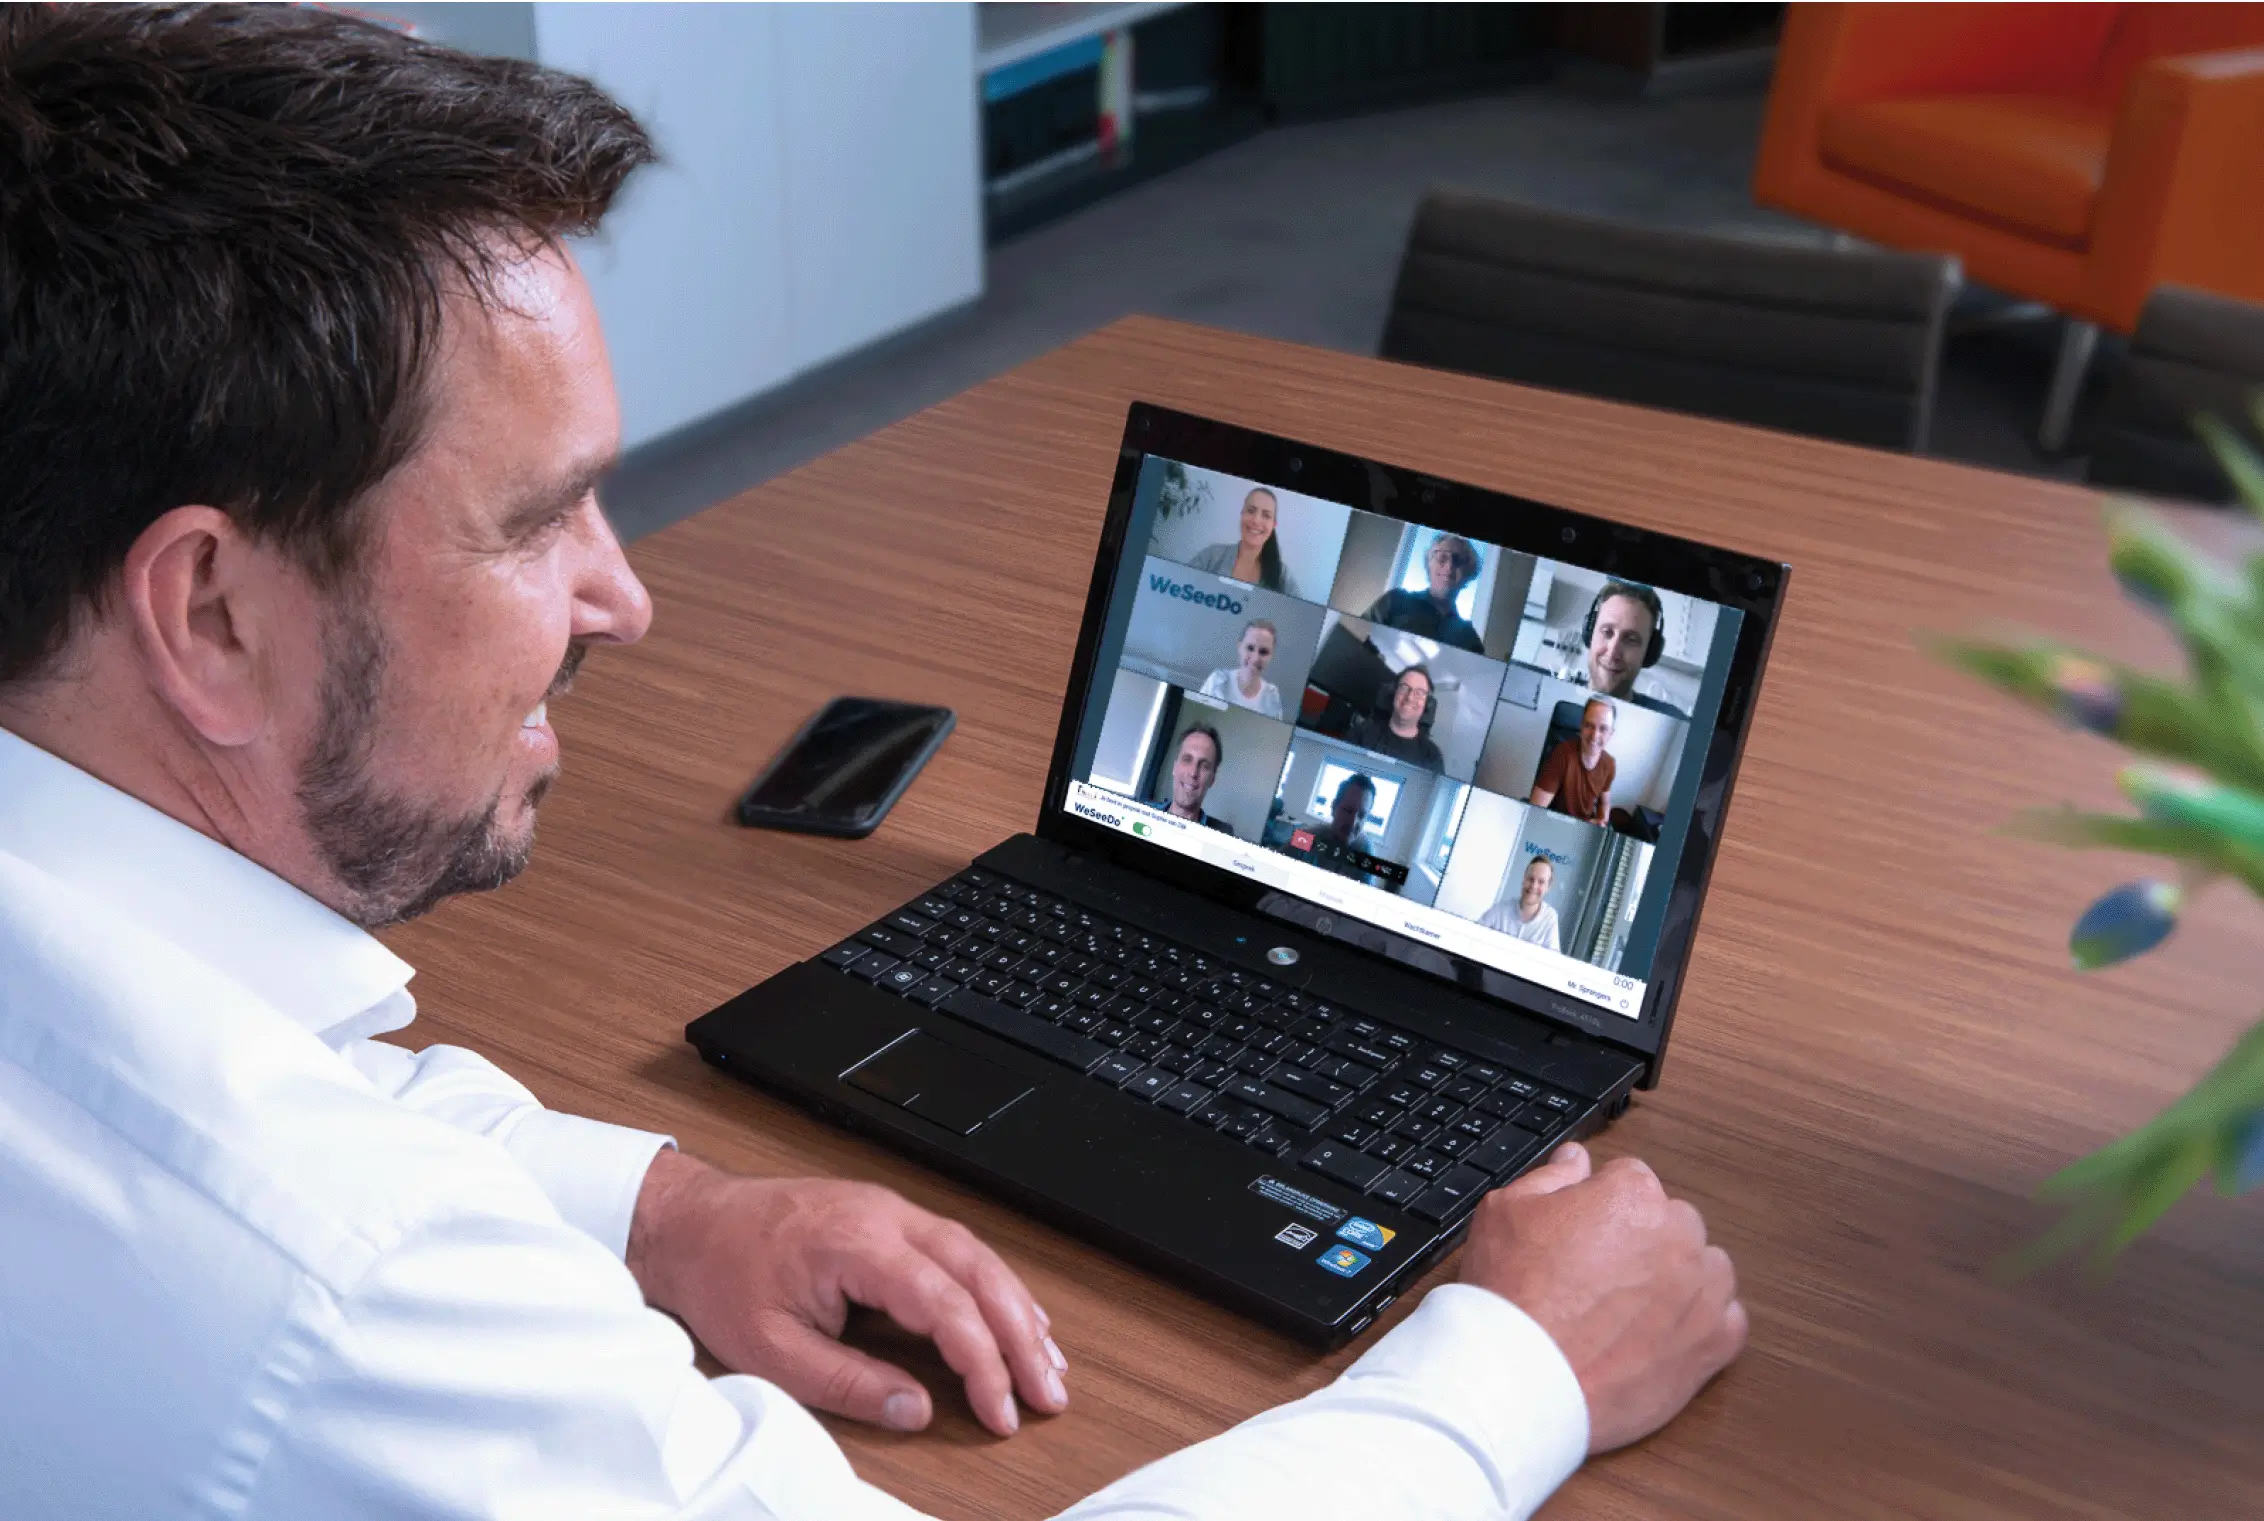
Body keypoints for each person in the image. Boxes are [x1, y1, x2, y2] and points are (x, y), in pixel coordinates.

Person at [0, 10, 1744, 1518]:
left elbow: (266, 1084)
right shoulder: (351, 1298)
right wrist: (1516, 1369)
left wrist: (662, 1207)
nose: (626, 595)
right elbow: (307, 1210)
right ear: (211, 615)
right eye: (539, 520)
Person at [1571, 582, 1689, 719]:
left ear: (1649, 651)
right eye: (1607, 632)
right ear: (1590, 634)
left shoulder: (1673, 721)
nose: (1612, 653)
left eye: (1631, 639)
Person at [1364, 532, 1485, 653]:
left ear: (1468, 573)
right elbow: (1356, 638)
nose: (1449, 566)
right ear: (1429, 564)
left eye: (1458, 560)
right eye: (1441, 557)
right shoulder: (1394, 600)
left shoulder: (1469, 639)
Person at [1184, 485, 1297, 596]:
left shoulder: (1283, 576)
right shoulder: (1211, 556)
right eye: (1251, 511)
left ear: (1273, 525)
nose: (1256, 520)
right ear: (1242, 514)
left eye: (1266, 515)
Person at [1529, 698, 1617, 825]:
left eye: (1603, 729)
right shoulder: (1561, 754)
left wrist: (1601, 822)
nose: (1594, 736)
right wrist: (1587, 824)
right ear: (1581, 726)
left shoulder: (1609, 764)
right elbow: (1534, 812)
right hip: (1556, 824)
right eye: (1589, 725)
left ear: (1610, 734)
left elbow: (1604, 802)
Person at [1344, 664, 1445, 772]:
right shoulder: (1361, 733)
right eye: (1404, 688)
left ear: (1427, 703)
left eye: (1419, 693)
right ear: (1394, 693)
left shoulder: (1432, 756)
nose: (1410, 697)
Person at [1152, 725, 1232, 834]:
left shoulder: (1222, 837)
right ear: (1174, 767)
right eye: (1187, 760)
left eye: (1204, 766)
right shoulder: (1138, 812)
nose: (1193, 773)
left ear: (1212, 779)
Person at [1197, 619, 1283, 718]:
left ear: (1271, 656)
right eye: (1250, 648)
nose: (1255, 659)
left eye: (1263, 652)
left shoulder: (1272, 695)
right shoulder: (1217, 681)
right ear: (1239, 647)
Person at [1480, 856, 1562, 950]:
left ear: (1548, 887)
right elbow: (1473, 934)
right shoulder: (1501, 910)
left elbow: (1551, 958)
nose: (1534, 886)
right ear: (1524, 879)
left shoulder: (1550, 918)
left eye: (1541, 882)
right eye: (1530, 879)